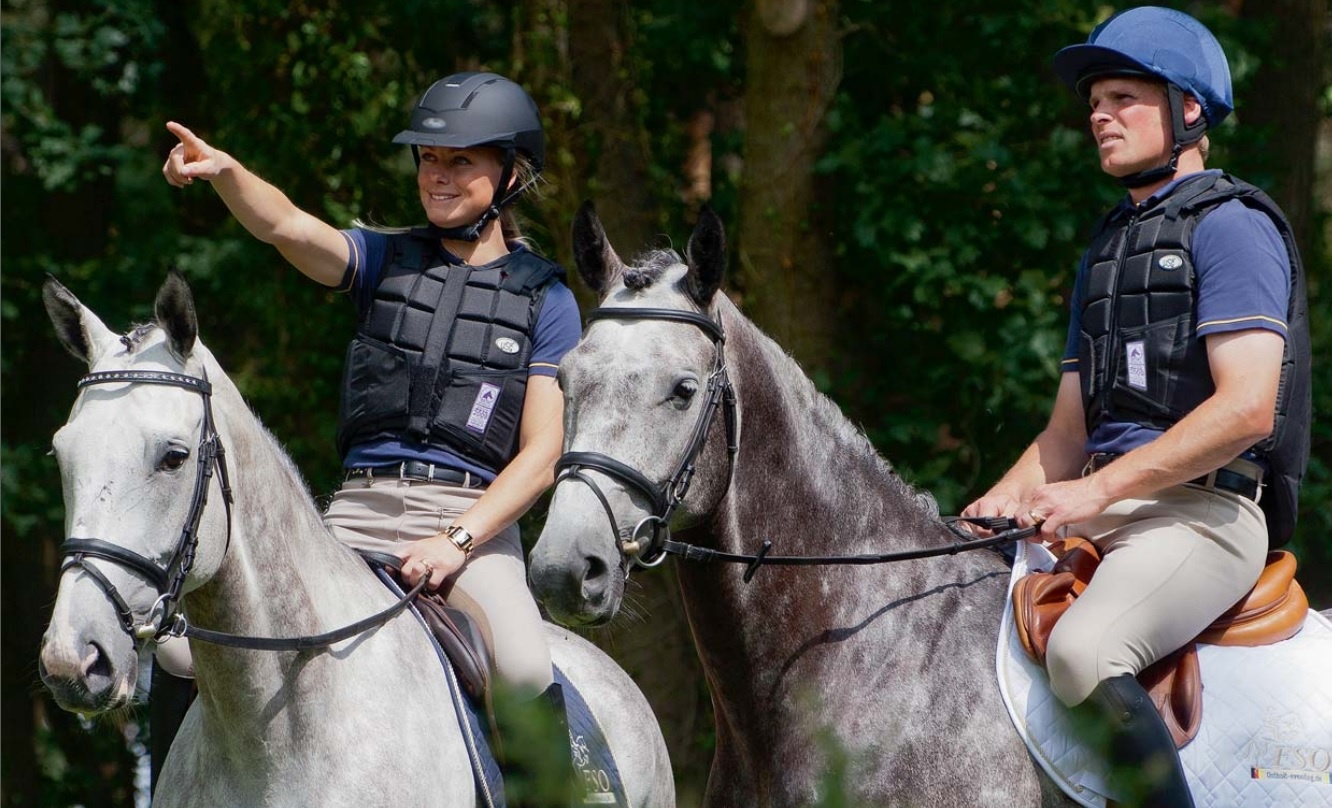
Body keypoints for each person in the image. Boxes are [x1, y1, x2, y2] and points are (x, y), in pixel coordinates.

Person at [162, 72, 583, 800]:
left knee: (521, 669)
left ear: (510, 172)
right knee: (180, 648)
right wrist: (227, 174)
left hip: (471, 524)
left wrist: (457, 541)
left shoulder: (548, 299)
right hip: (355, 513)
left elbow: (542, 455)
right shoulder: (386, 260)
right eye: (428, 159)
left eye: (460, 161)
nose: (438, 176)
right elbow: (287, 227)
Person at [963, 7, 1310, 807]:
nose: (1097, 114)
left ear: (1188, 109)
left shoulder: (1232, 228)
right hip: (1108, 507)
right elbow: (1066, 432)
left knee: (1084, 652)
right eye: (1094, 101)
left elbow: (1247, 410)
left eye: (1121, 96)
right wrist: (997, 501)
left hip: (1202, 516)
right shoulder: (1110, 249)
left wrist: (1092, 492)